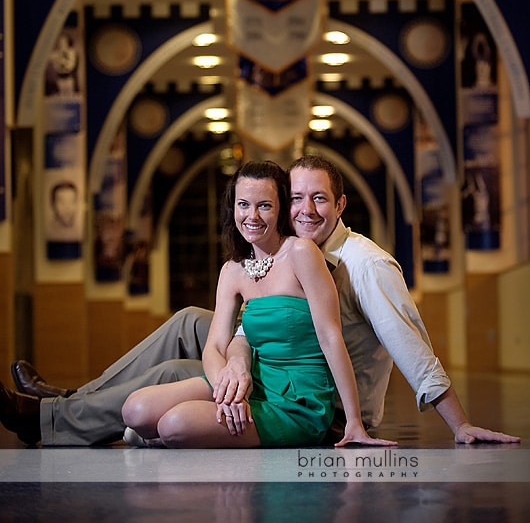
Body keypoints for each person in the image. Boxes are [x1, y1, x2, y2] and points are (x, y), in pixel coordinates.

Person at [0, 156, 520, 446]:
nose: (305, 209)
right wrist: (238, 361)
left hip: (330, 397)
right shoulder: (287, 255)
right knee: (189, 322)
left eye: (319, 199)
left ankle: (52, 419)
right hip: (279, 359)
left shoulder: (366, 263)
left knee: (173, 373)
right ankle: (68, 401)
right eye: (296, 198)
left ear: (341, 204)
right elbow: (253, 323)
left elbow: (409, 342)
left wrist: (459, 422)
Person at [120, 160, 395, 449]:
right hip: (252, 384)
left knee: (173, 423)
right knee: (135, 409)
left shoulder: (301, 252)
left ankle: (177, 433)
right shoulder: (232, 271)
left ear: (281, 209)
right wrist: (228, 392)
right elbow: (214, 347)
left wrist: (354, 422)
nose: (252, 216)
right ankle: (178, 433)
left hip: (298, 399)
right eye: (243, 205)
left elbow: (330, 336)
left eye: (264, 205)